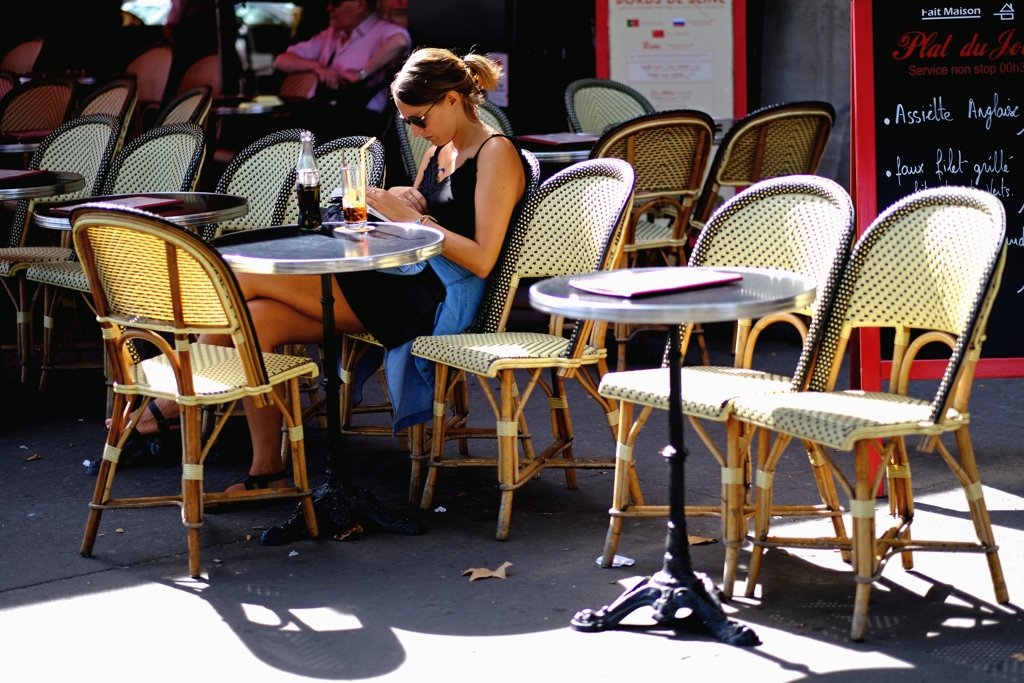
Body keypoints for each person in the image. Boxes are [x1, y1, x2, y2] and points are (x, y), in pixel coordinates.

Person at [114, 49, 527, 493]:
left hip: (434, 294)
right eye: (407, 121)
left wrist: (414, 220)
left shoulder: (495, 153)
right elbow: (430, 214)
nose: (414, 130)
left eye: (417, 119)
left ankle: (159, 400)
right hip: (397, 273)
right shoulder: (440, 148)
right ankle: (267, 470)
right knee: (252, 321)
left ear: (450, 99)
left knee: (235, 278)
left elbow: (483, 257)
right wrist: (399, 199)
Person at [273, 0, 411, 137]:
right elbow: (281, 61)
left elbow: (400, 42)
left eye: (336, 3)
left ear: (360, 5)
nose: (329, 8)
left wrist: (362, 74)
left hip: (360, 124)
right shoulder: (331, 34)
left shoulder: (384, 31)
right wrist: (317, 67)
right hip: (321, 116)